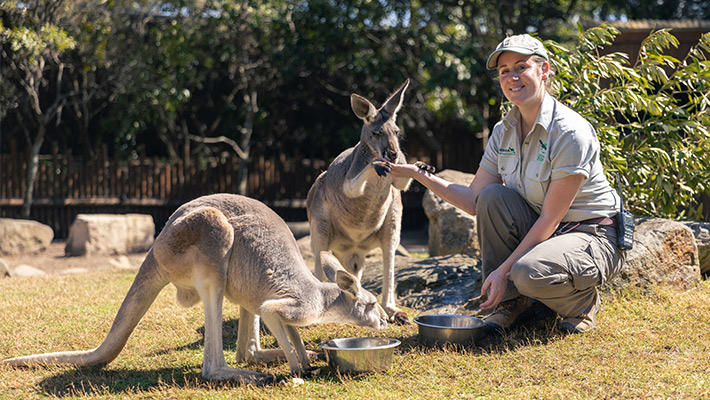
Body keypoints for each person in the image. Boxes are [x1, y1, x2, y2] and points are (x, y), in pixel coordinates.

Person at [380, 34, 625, 334]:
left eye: (521, 67)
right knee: (492, 197)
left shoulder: (569, 132)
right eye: (504, 71)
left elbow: (550, 218)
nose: (512, 77)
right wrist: (418, 174)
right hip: (547, 231)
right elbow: (473, 199)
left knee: (526, 272)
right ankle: (512, 303)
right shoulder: (503, 131)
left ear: (544, 70)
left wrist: (503, 271)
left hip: (592, 233)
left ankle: (581, 303)